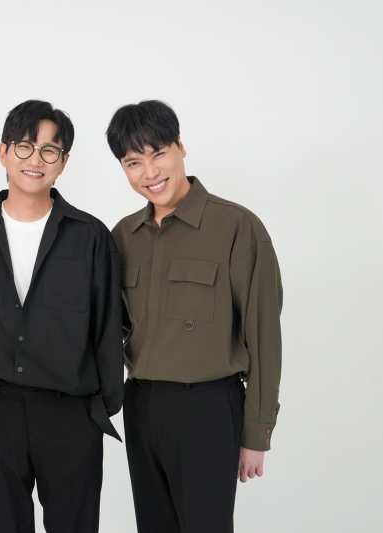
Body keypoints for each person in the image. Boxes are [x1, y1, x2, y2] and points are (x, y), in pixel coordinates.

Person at [0, 100, 124, 533]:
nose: (35, 160)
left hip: (71, 415)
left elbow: (108, 329)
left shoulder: (90, 237)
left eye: (49, 150)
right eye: (24, 147)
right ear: (3, 152)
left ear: (64, 162)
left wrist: (98, 412)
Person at [107, 100, 283, 533]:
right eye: (133, 162)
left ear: (181, 146)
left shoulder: (236, 226)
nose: (150, 172)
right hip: (142, 407)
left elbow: (263, 335)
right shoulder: (123, 236)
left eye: (158, 153)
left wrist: (256, 431)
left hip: (208, 408)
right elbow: (110, 330)